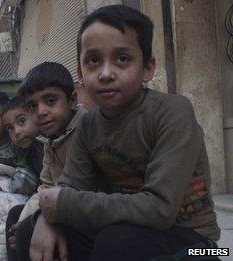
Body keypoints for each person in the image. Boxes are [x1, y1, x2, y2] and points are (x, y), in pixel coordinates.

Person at [13, 5, 220, 261]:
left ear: (148, 67)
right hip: (128, 231)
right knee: (28, 229)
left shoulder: (173, 112)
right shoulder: (88, 126)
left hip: (198, 243)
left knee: (115, 242)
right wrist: (47, 217)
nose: (106, 73)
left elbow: (160, 209)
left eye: (122, 58)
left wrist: (60, 206)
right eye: (93, 61)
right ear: (80, 73)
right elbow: (69, 187)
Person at [5, 62, 87, 260]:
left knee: (27, 231)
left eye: (50, 100)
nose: (41, 111)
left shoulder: (87, 129)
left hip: (83, 211)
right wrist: (28, 217)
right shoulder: (50, 140)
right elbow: (46, 186)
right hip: (61, 205)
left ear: (72, 100)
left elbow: (85, 189)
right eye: (33, 106)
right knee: (17, 217)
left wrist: (46, 217)